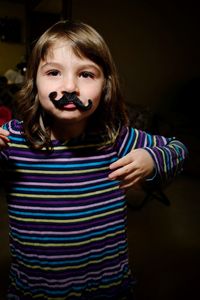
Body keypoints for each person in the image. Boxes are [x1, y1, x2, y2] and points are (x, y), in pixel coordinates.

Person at [0, 20, 188, 300]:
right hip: (35, 287)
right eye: (53, 72)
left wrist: (151, 158)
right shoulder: (12, 140)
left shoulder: (115, 137)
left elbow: (178, 149)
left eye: (86, 74)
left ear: (106, 85)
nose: (70, 86)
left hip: (107, 286)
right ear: (34, 82)